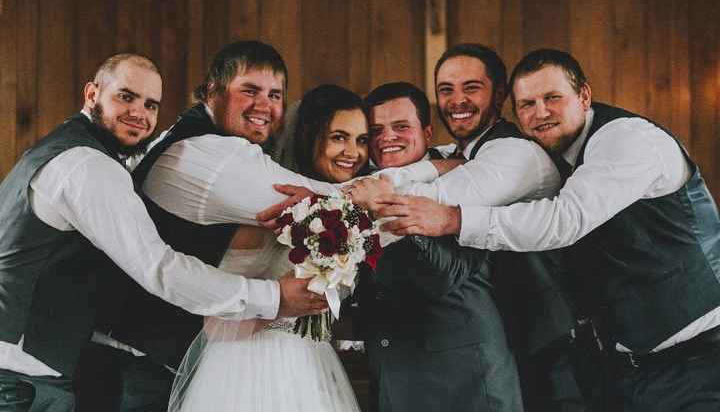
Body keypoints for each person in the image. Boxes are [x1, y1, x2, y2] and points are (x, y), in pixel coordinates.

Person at [376, 49, 720, 412]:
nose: (539, 112)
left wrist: (452, 218)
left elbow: (563, 220)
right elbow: (465, 161)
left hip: (701, 354)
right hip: (630, 367)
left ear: (584, 96)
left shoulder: (626, 138)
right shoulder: (550, 149)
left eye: (552, 98)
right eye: (526, 104)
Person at [0, 53, 325, 412]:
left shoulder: (58, 150)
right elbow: (160, 267)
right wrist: (272, 299)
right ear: (92, 94)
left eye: (151, 105)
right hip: (22, 380)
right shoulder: (87, 166)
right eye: (126, 96)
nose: (139, 113)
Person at [168, 84, 367, 411]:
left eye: (361, 140)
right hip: (247, 370)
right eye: (338, 137)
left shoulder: (348, 216)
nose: (353, 152)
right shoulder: (266, 215)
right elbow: (215, 324)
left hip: (312, 366)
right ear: (308, 137)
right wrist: (280, 302)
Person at [354, 81, 524, 411]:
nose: (387, 137)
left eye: (401, 126)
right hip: (393, 377)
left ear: (428, 133)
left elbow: (441, 274)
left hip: (465, 381)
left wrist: (384, 207)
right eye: (376, 130)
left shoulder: (471, 181)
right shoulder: (360, 190)